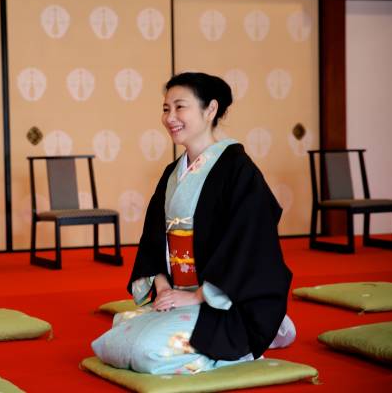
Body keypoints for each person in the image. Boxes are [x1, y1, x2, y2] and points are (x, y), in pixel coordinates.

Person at [91, 72, 295, 375]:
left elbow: (248, 242)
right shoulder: (173, 172)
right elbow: (153, 239)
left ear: (210, 110)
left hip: (223, 299)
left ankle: (250, 341)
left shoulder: (239, 169)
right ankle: (267, 328)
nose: (170, 117)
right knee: (113, 343)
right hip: (178, 293)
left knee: (145, 354)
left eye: (180, 107)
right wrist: (161, 287)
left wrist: (198, 295)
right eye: (165, 109)